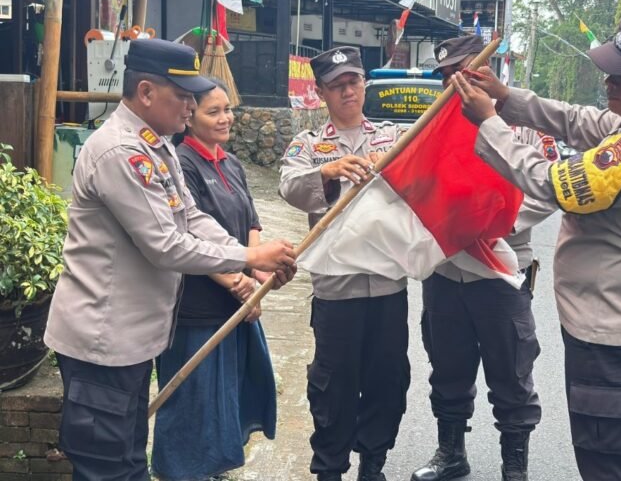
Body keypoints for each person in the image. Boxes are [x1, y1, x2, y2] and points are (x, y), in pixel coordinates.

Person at [451, 9, 621, 481]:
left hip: (611, 335)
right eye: (609, 72)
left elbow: (552, 182)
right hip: (615, 322)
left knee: (611, 464)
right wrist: (509, 100)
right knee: (615, 449)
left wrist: (488, 123)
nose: (610, 83)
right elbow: (583, 121)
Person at [43, 39, 296, 481]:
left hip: (132, 342)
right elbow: (166, 245)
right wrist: (250, 254)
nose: (190, 106)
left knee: (127, 458)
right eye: (183, 97)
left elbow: (191, 216)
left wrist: (249, 262)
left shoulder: (154, 145)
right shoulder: (120, 153)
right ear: (145, 92)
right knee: (110, 468)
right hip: (104, 345)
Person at [411, 35, 558, 481]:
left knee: (511, 373)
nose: (454, 83)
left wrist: (494, 223)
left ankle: (514, 465)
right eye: (445, 77)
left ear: (485, 70)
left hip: (501, 269)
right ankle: (450, 453)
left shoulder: (522, 126)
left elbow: (548, 187)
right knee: (448, 368)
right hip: (446, 268)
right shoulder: (428, 128)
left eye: (463, 71)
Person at [278, 46, 409, 481]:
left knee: (387, 381)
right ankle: (330, 469)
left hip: (389, 286)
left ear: (364, 83)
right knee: (332, 386)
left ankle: (373, 464)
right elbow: (289, 187)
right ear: (320, 93)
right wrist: (330, 171)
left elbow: (423, 177)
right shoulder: (309, 145)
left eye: (354, 81)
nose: (348, 91)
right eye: (337, 86)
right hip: (337, 290)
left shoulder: (394, 136)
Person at [150, 79, 277, 481]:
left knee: (229, 399)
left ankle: (214, 469)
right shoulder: (181, 165)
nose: (226, 118)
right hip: (198, 306)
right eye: (214, 111)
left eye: (227, 109)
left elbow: (251, 223)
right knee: (193, 401)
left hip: (237, 306)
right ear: (191, 117)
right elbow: (184, 237)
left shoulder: (232, 163)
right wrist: (240, 285)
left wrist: (256, 276)